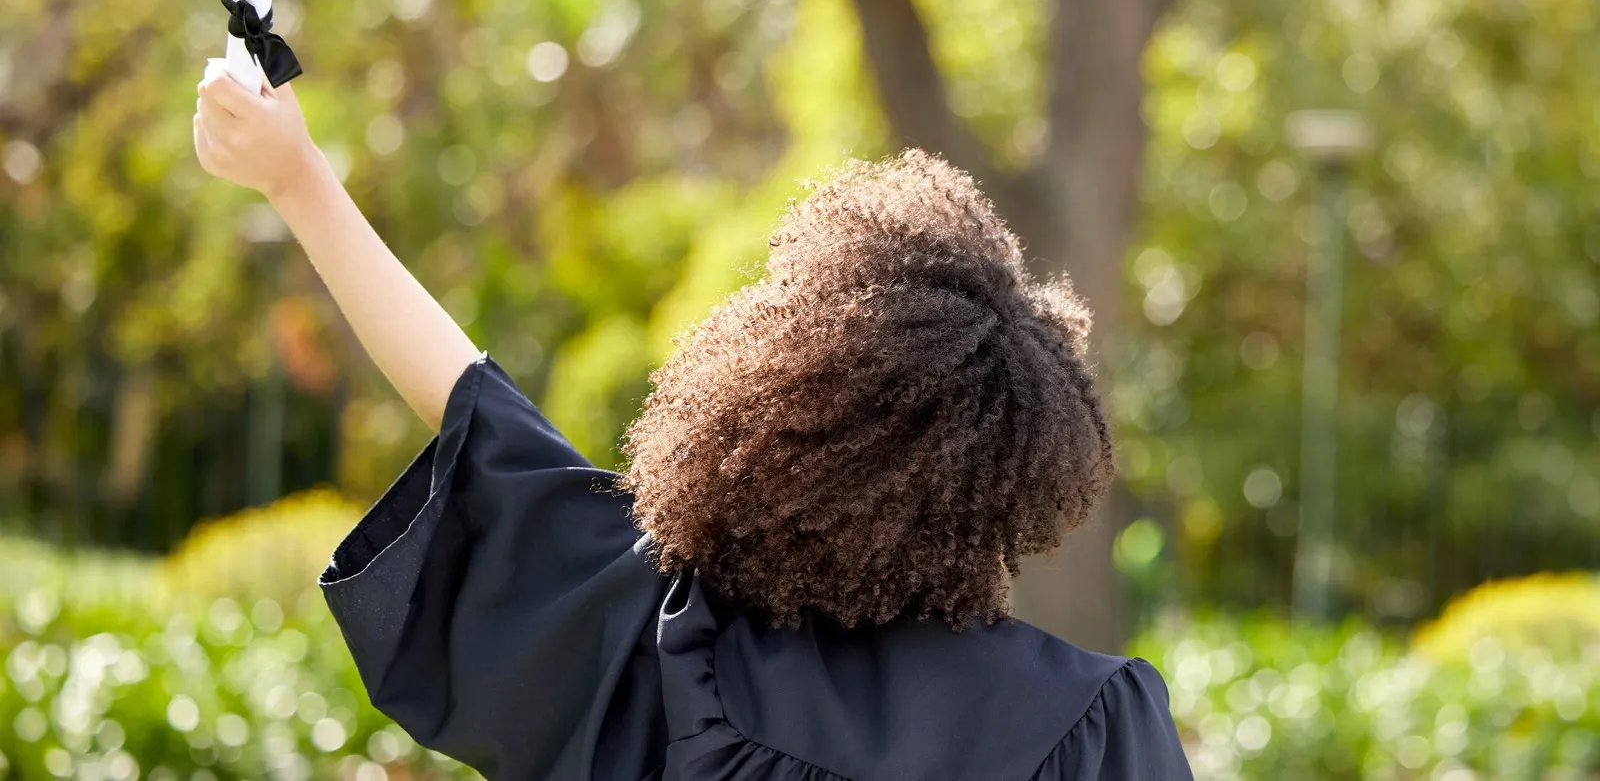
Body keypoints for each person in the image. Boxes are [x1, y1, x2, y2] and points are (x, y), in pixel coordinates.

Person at [193, 73, 1194, 781]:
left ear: (775, 417)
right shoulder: (1089, 726)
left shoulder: (666, 644)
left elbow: (474, 409)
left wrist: (299, 180)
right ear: (1019, 472)